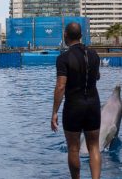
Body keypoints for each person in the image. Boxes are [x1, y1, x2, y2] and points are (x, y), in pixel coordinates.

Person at [51, 22, 101, 179]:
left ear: (66, 35)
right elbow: (97, 76)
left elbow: (60, 86)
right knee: (94, 147)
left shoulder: (63, 58)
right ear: (81, 35)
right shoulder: (94, 55)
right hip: (93, 105)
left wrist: (54, 112)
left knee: (73, 148)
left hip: (74, 107)